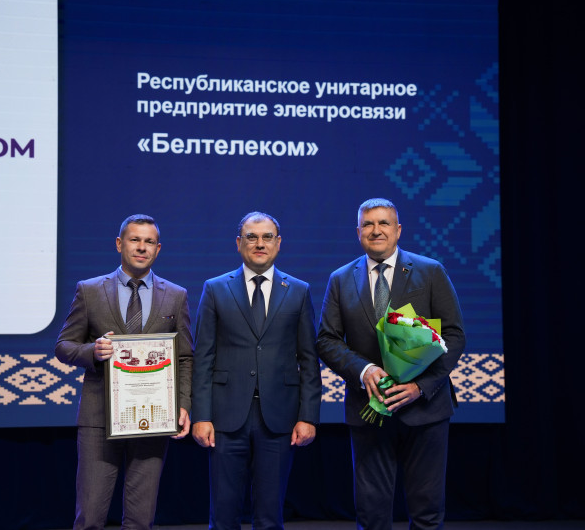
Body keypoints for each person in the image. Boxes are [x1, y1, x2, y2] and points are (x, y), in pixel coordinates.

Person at [316, 198, 466, 530]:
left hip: (426, 410)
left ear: (398, 230)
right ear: (358, 232)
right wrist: (364, 370)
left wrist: (420, 387)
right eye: (368, 224)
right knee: (371, 516)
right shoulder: (340, 279)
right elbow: (326, 340)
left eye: (384, 223)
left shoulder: (431, 271)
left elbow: (455, 335)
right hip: (368, 409)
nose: (376, 230)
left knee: (427, 515)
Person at [55, 214, 193, 529]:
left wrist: (183, 404)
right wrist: (93, 351)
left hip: (153, 418)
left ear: (158, 248)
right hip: (99, 419)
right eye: (135, 240)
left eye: (149, 242)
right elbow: (63, 346)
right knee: (90, 516)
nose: (142, 247)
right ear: (120, 244)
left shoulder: (176, 295)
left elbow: (185, 356)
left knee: (141, 519)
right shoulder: (90, 290)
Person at [191, 211, 321, 530]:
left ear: (278, 243)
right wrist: (201, 416)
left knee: (269, 517)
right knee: (223, 517)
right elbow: (203, 357)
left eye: (267, 237)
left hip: (279, 418)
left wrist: (308, 416)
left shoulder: (299, 290)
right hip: (224, 418)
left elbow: (309, 359)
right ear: (239, 243)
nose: (259, 243)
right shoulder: (215, 288)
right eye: (251, 237)